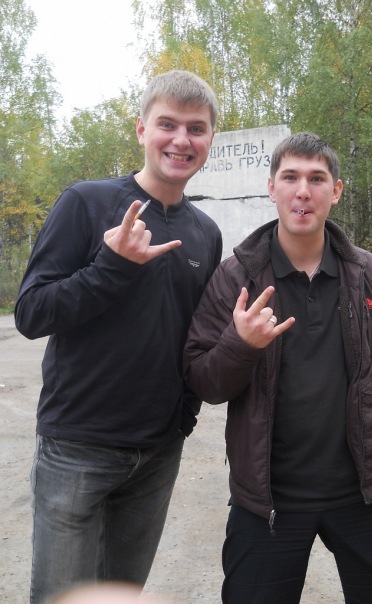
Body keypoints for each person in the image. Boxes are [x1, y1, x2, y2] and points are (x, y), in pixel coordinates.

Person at [184, 131, 372, 603]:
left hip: (365, 492)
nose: (303, 191)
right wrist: (240, 346)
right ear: (271, 188)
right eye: (290, 177)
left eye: (316, 179)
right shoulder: (236, 278)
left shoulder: (370, 273)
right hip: (268, 501)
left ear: (336, 191)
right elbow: (203, 379)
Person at [15, 70, 222, 604]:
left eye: (196, 128)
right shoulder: (86, 203)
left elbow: (195, 338)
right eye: (167, 124)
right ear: (141, 129)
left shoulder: (205, 233)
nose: (181, 140)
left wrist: (182, 419)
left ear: (210, 140)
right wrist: (112, 266)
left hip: (158, 453)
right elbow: (31, 313)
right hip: (76, 447)